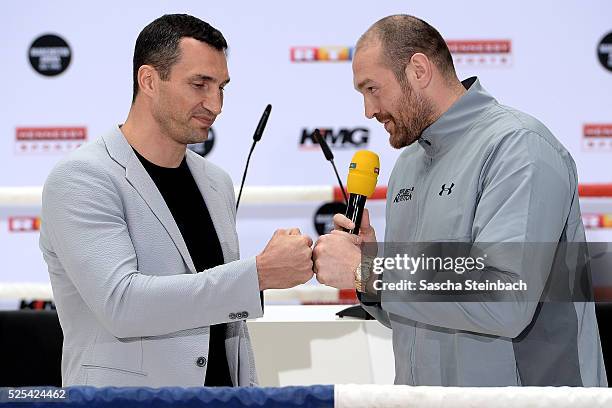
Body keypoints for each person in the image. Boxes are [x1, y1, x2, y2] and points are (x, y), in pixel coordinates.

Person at [312, 14, 607, 386]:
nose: (368, 111)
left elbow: (505, 297)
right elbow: (418, 312)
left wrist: (376, 272)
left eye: (373, 89)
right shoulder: (408, 163)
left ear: (418, 70)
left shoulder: (518, 146)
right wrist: (370, 272)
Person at [39, 14, 314, 387]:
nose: (215, 104)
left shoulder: (216, 182)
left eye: (222, 87)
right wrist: (259, 274)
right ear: (149, 80)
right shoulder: (83, 177)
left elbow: (221, 313)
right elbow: (122, 304)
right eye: (200, 84)